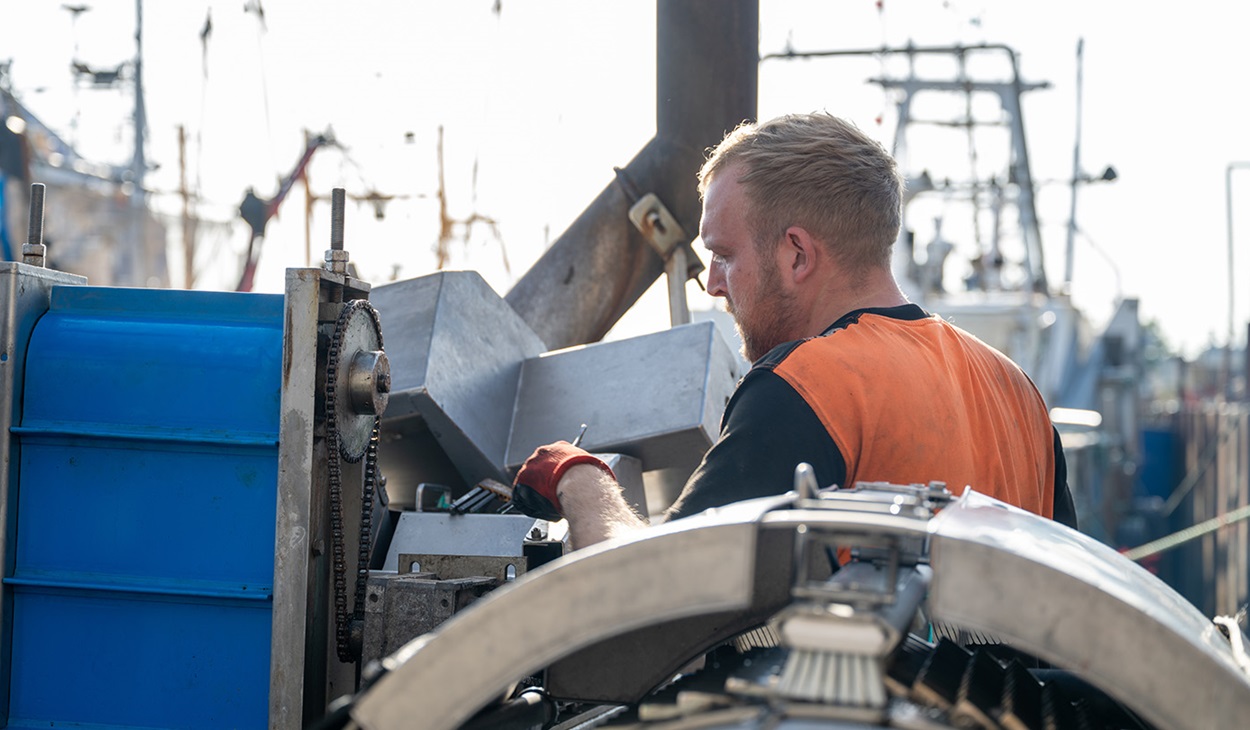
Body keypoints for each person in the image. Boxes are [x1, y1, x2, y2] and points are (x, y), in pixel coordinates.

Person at [516, 112, 1077, 549]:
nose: (712, 284)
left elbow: (648, 594)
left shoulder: (807, 387)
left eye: (724, 255)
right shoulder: (1019, 394)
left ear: (797, 255)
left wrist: (579, 479)